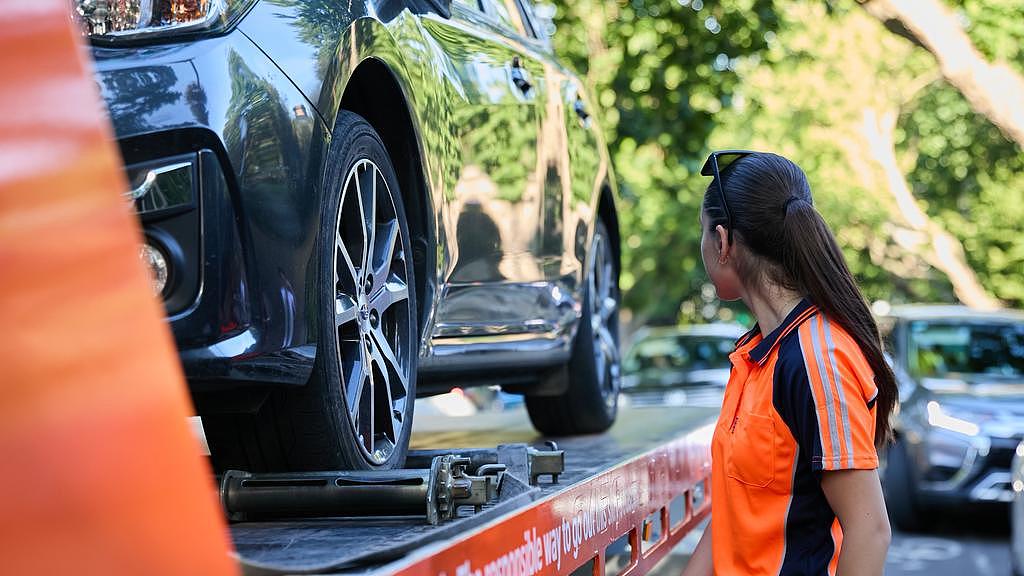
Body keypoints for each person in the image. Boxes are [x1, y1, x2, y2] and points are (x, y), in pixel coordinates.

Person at [682, 151, 895, 576]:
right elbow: (732, 517)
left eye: (703, 234)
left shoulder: (820, 359)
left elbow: (870, 532)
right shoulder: (755, 354)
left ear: (723, 243)